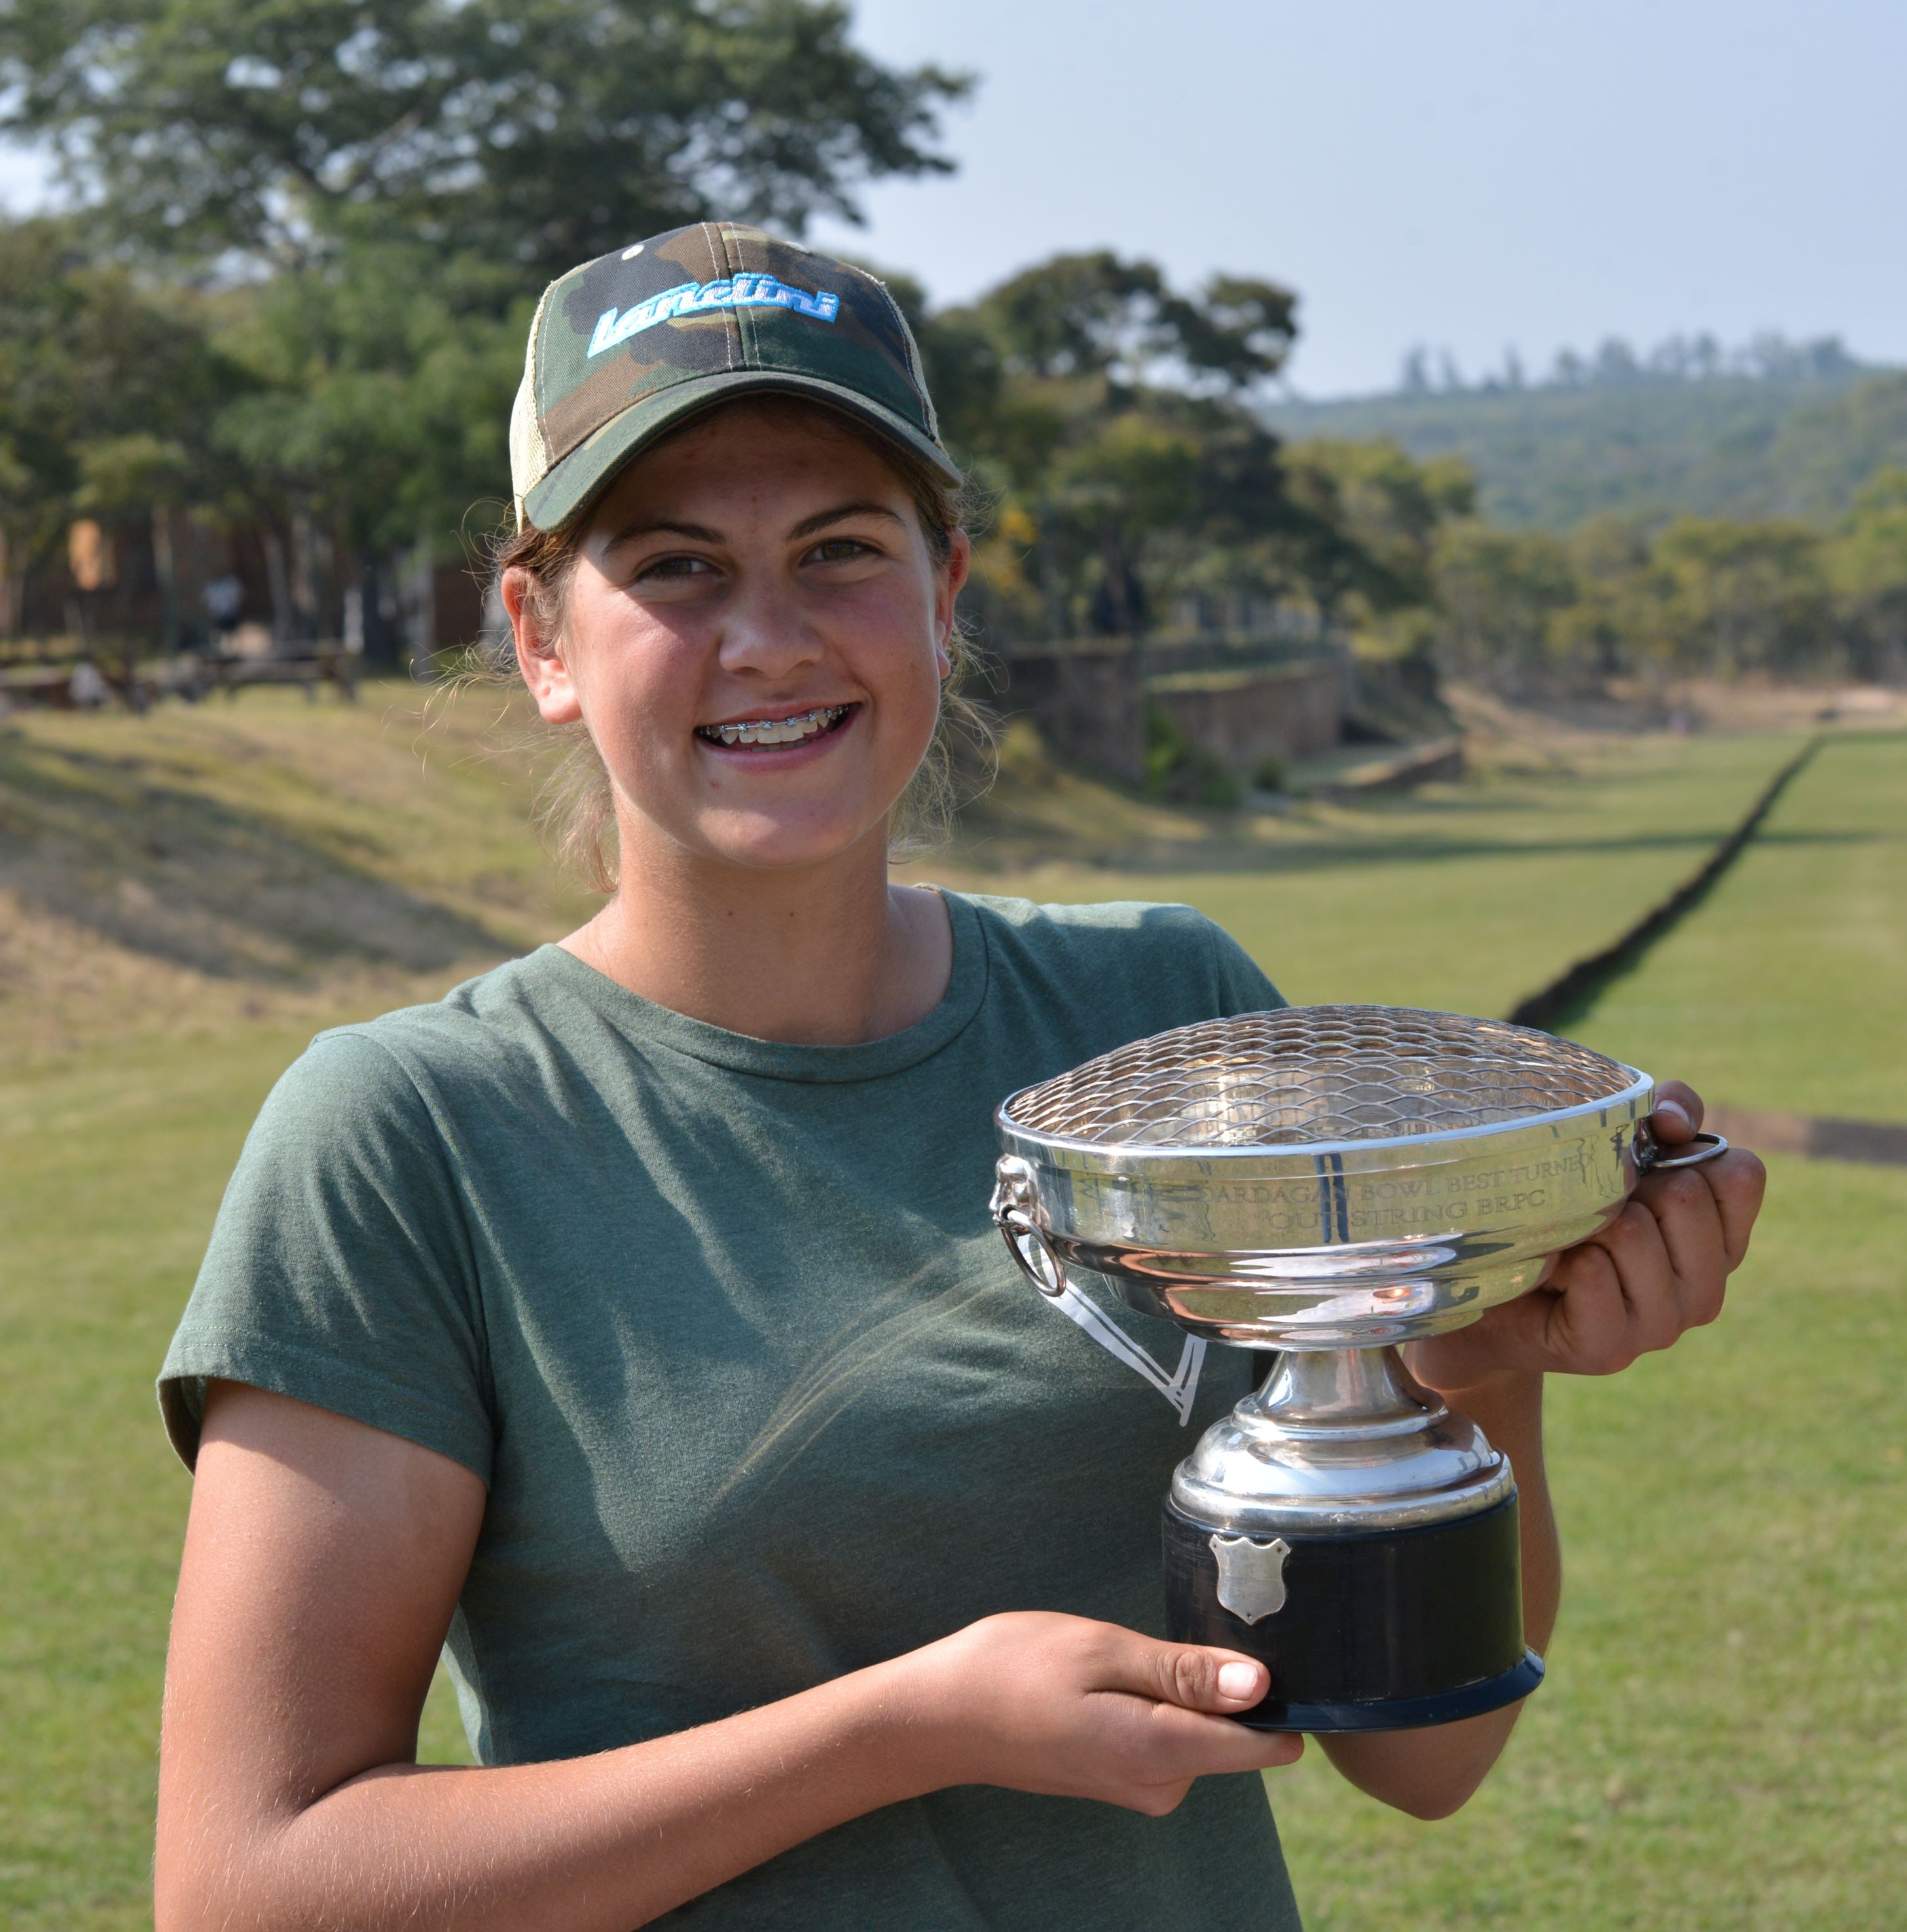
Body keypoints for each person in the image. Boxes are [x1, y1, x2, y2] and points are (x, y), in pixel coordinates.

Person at [153, 225, 1766, 1932]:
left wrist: (1473, 1355)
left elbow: (1423, 1759)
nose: (768, 638)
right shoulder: (409, 1139)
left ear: (945, 592)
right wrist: (902, 1732)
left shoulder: (1168, 1018)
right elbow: (252, 1886)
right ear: (544, 640)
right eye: (677, 567)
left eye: (840, 550)